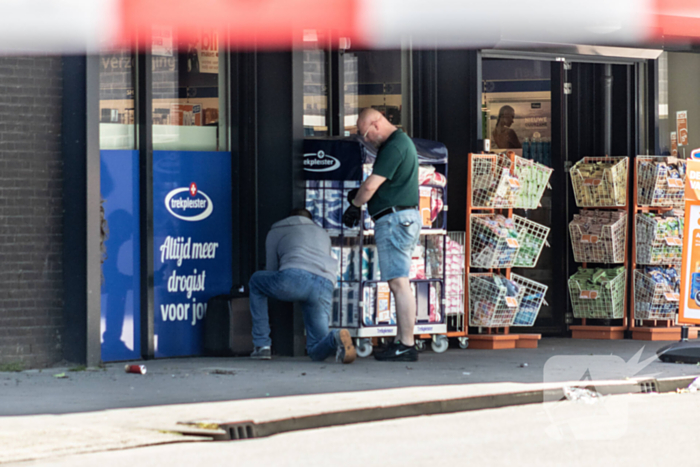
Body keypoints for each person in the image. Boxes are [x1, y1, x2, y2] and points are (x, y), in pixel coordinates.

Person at [343, 108, 421, 362]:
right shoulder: (400, 144)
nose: (366, 140)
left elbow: (371, 185)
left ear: (376, 125)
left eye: (366, 134)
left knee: (399, 282)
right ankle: (402, 341)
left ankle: (407, 344)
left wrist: (355, 205)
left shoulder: (394, 147)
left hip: (395, 220)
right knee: (399, 282)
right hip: (402, 218)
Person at [248, 208, 356, 363]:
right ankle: (335, 337)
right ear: (311, 220)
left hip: (294, 279)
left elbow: (272, 268)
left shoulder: (277, 230)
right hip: (324, 283)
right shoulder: (322, 233)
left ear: (289, 217)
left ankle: (262, 345)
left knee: (256, 282)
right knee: (315, 348)